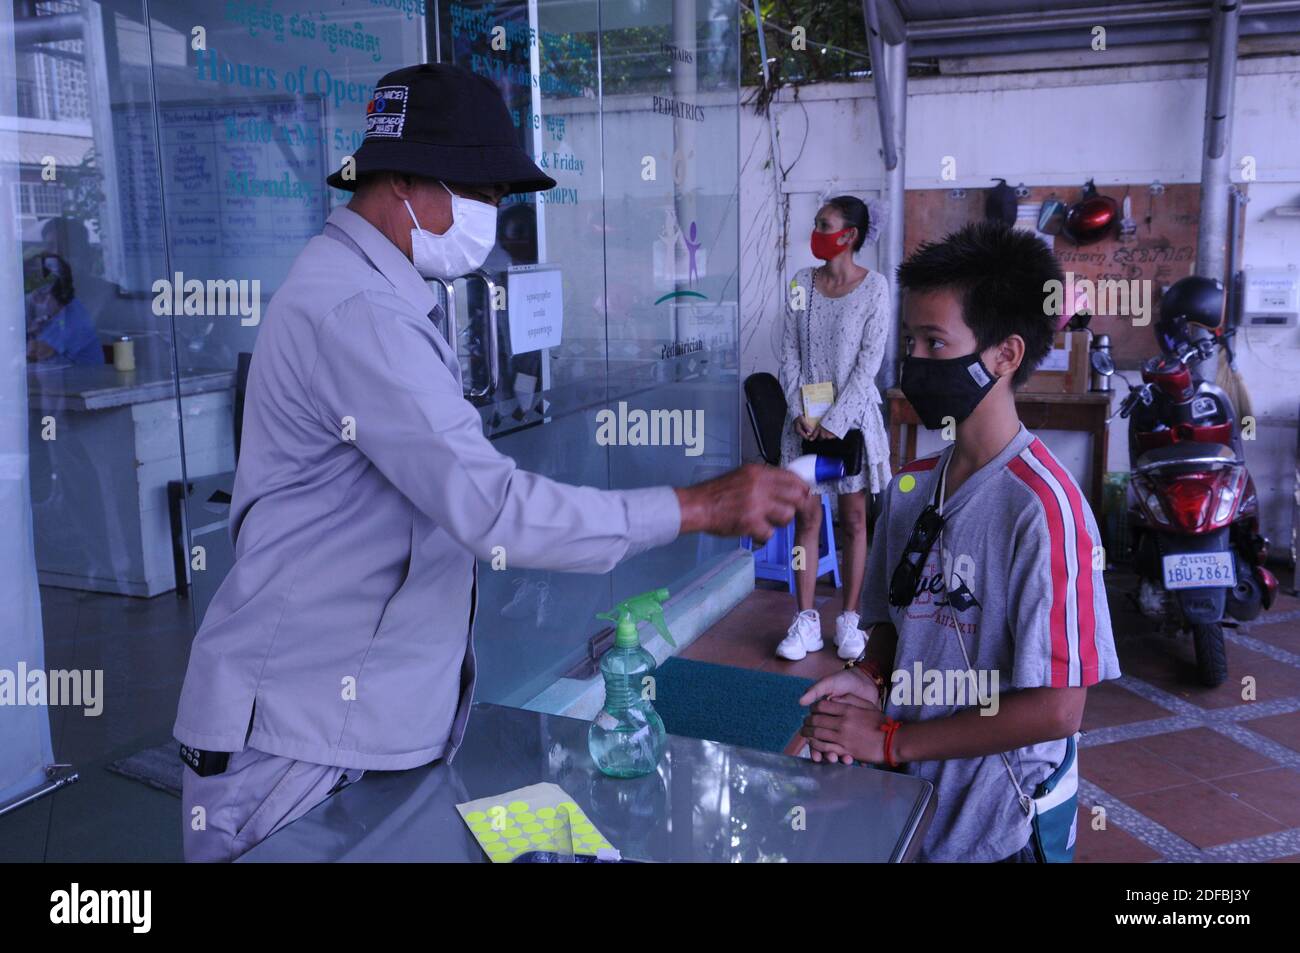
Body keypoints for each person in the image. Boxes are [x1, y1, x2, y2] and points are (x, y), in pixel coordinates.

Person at [172, 63, 808, 862]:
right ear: (401, 180)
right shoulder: (358, 310)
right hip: (296, 750)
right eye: (482, 190)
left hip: (348, 729)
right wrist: (700, 507)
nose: (495, 213)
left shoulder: (382, 292)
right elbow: (491, 508)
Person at [798, 221, 1121, 863]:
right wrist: (867, 680)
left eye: (934, 341)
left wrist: (889, 743)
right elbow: (898, 623)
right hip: (913, 809)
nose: (914, 362)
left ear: (1005, 355)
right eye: (910, 340)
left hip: (996, 832)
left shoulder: (1044, 511)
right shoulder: (915, 485)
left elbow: (1058, 709)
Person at [776, 195, 891, 662]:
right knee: (806, 517)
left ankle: (849, 621)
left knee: (855, 520)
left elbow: (869, 365)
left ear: (850, 236)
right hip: (804, 422)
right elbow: (787, 353)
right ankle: (806, 622)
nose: (817, 230)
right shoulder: (801, 283)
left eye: (825, 224)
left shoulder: (876, 288)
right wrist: (801, 410)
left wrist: (837, 421)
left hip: (853, 423)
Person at [24, 252, 103, 366]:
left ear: (61, 293)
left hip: (86, 381)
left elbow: (34, 354)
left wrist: (29, 334)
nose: (34, 302)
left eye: (41, 295)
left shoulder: (73, 318)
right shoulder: (53, 315)